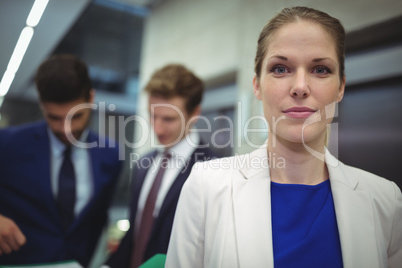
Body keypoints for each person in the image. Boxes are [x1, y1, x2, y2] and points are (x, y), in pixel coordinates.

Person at [165, 6, 402, 268]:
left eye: (320, 70)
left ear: (341, 87)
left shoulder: (385, 200)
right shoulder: (206, 187)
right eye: (280, 69)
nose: (300, 87)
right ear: (257, 84)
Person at [0, 54, 122, 266]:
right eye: (54, 117)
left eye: (75, 116)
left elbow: (96, 220)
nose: (66, 129)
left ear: (91, 99)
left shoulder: (110, 155)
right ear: (42, 105)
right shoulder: (7, 145)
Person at [106, 64, 218, 268]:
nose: (157, 127)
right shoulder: (143, 165)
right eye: (152, 115)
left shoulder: (214, 171)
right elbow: (135, 236)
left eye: (168, 119)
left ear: (194, 113)